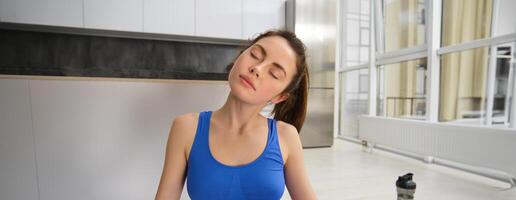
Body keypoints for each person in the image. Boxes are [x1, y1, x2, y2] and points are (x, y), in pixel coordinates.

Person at [155, 30, 317, 200]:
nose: (257, 69)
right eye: (255, 55)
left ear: (280, 97)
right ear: (239, 56)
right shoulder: (186, 128)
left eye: (274, 73)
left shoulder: (286, 136)